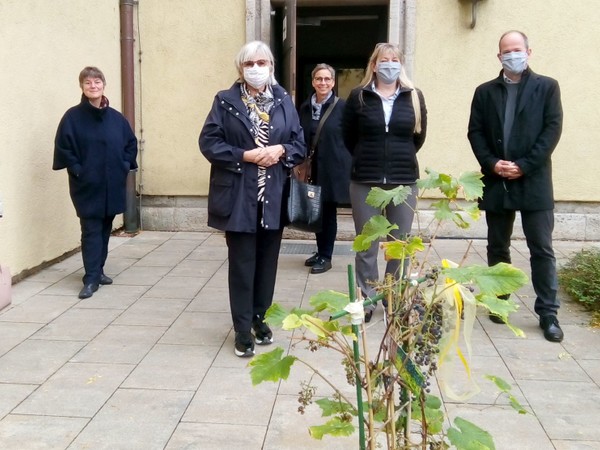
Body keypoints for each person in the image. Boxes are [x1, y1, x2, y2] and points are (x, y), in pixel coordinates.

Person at [199, 41, 306, 357]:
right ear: (240, 68)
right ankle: (242, 329)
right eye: (250, 63)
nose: (256, 68)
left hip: (273, 196)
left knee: (267, 265)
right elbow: (209, 143)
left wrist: (282, 150)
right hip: (239, 199)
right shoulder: (225, 101)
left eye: (262, 62)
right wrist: (243, 155)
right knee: (243, 265)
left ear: (271, 66)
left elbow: (299, 142)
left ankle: (260, 318)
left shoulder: (284, 100)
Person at [467, 30, 564, 342]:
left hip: (533, 180)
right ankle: (500, 301)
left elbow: (552, 129)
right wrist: (493, 164)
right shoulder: (484, 92)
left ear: (528, 52)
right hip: (497, 180)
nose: (512, 55)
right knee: (497, 246)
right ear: (499, 56)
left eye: (517, 49)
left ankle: (548, 313)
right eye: (506, 51)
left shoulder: (547, 87)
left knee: (542, 249)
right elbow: (475, 132)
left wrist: (524, 165)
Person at [342, 43, 427, 322]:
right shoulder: (359, 97)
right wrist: (371, 158)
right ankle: (367, 299)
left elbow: (418, 137)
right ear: (374, 65)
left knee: (398, 244)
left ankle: (392, 297)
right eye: (384, 60)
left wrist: (396, 160)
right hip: (366, 180)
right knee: (367, 244)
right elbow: (348, 136)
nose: (389, 64)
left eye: (395, 60)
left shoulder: (414, 97)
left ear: (400, 64)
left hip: (403, 182)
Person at [53, 66, 138, 300]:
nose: (93, 86)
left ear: (103, 85)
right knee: (90, 229)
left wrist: (123, 165)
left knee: (104, 228)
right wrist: (78, 170)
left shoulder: (116, 119)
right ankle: (90, 279)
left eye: (97, 82)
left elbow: (130, 144)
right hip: (86, 186)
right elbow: (64, 147)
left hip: (112, 185)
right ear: (82, 86)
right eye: (88, 83)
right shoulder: (72, 117)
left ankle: (98, 271)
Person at [298, 63, 351, 274]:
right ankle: (320, 251)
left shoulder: (343, 107)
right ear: (313, 82)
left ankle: (326, 256)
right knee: (315, 212)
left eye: (327, 79)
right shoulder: (304, 107)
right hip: (311, 168)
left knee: (328, 212)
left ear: (333, 82)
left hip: (332, 168)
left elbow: (352, 136)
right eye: (319, 79)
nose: (323, 83)